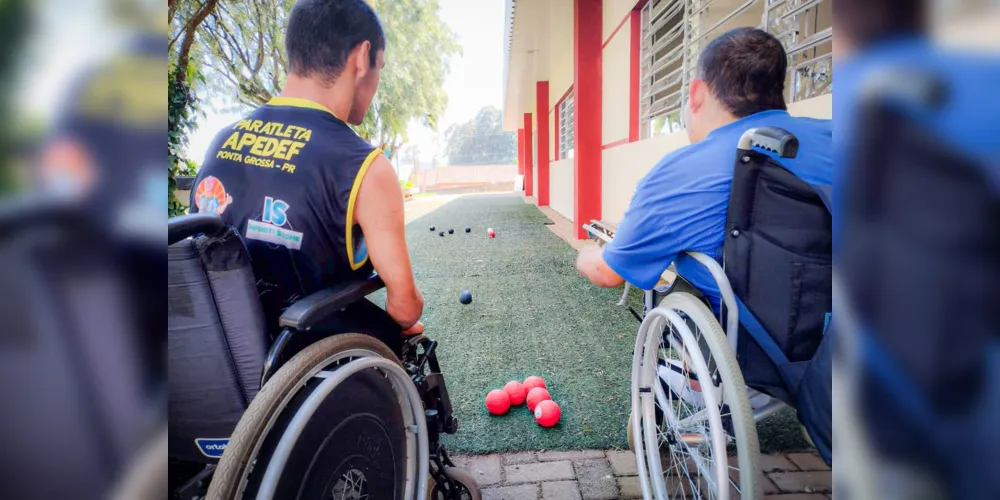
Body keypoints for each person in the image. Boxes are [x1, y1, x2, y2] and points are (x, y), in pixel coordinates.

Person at [190, 0, 423, 356]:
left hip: (219, 365)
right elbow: (404, 307)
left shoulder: (221, 141)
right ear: (362, 58)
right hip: (309, 369)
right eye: (380, 66)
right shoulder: (365, 166)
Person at [575, 27, 832, 313]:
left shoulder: (681, 173)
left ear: (696, 93)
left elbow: (607, 273)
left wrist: (586, 255)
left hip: (749, 344)